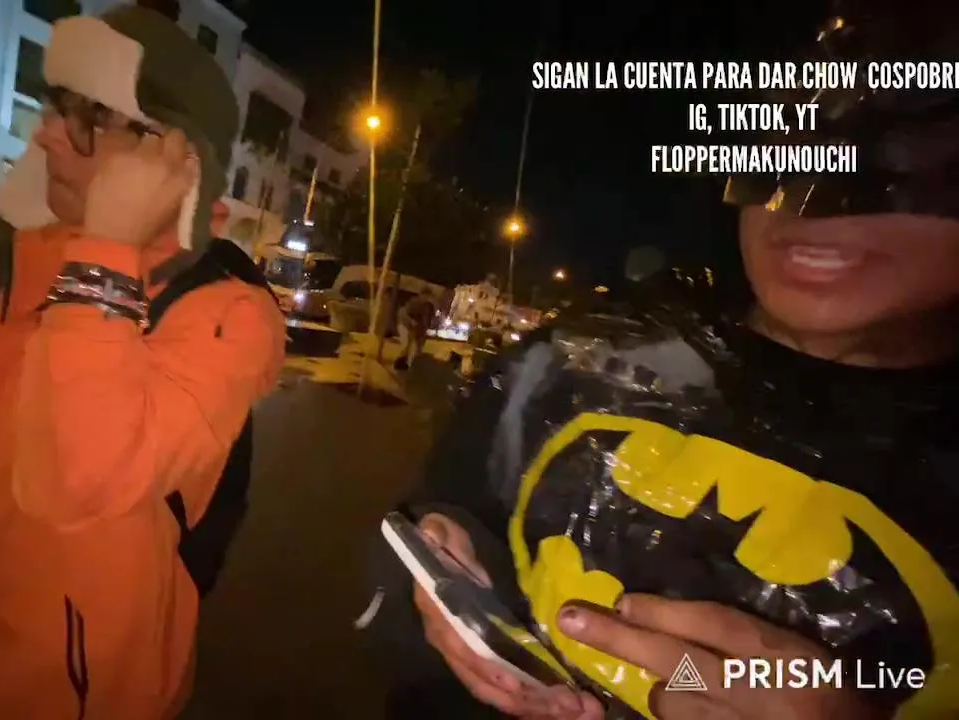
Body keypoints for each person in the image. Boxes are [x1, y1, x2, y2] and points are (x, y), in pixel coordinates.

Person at [364, 4, 959, 718]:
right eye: (792, 137)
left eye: (905, 155)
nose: (820, 202)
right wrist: (444, 598)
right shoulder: (573, 363)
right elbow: (407, 572)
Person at [0, 7, 284, 718]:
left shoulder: (227, 313)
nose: (46, 133)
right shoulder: (43, 253)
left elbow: (83, 477)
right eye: (55, 105)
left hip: (82, 690)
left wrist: (107, 253)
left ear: (176, 156)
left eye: (91, 116)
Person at [396, 290, 436, 371]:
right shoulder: (414, 302)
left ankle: (410, 365)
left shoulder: (428, 306)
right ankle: (401, 363)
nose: (427, 298)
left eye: (429, 297)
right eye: (426, 296)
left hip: (418, 329)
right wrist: (411, 321)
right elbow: (403, 313)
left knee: (417, 348)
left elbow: (427, 320)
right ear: (422, 295)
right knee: (407, 345)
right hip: (406, 326)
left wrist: (425, 329)